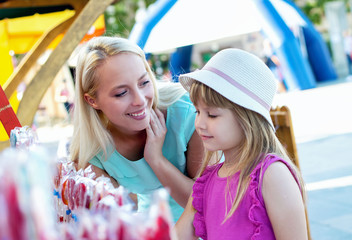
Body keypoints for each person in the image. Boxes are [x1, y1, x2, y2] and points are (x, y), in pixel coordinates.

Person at [175, 48, 309, 239]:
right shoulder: (207, 182)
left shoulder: (271, 175)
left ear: (247, 119)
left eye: (212, 114)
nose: (199, 124)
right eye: (197, 112)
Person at [69, 36, 204, 222]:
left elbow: (203, 204)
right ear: (92, 101)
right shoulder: (93, 152)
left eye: (144, 82)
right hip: (152, 226)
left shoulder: (190, 113)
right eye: (121, 93)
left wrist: (156, 159)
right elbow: (111, 219)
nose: (140, 100)